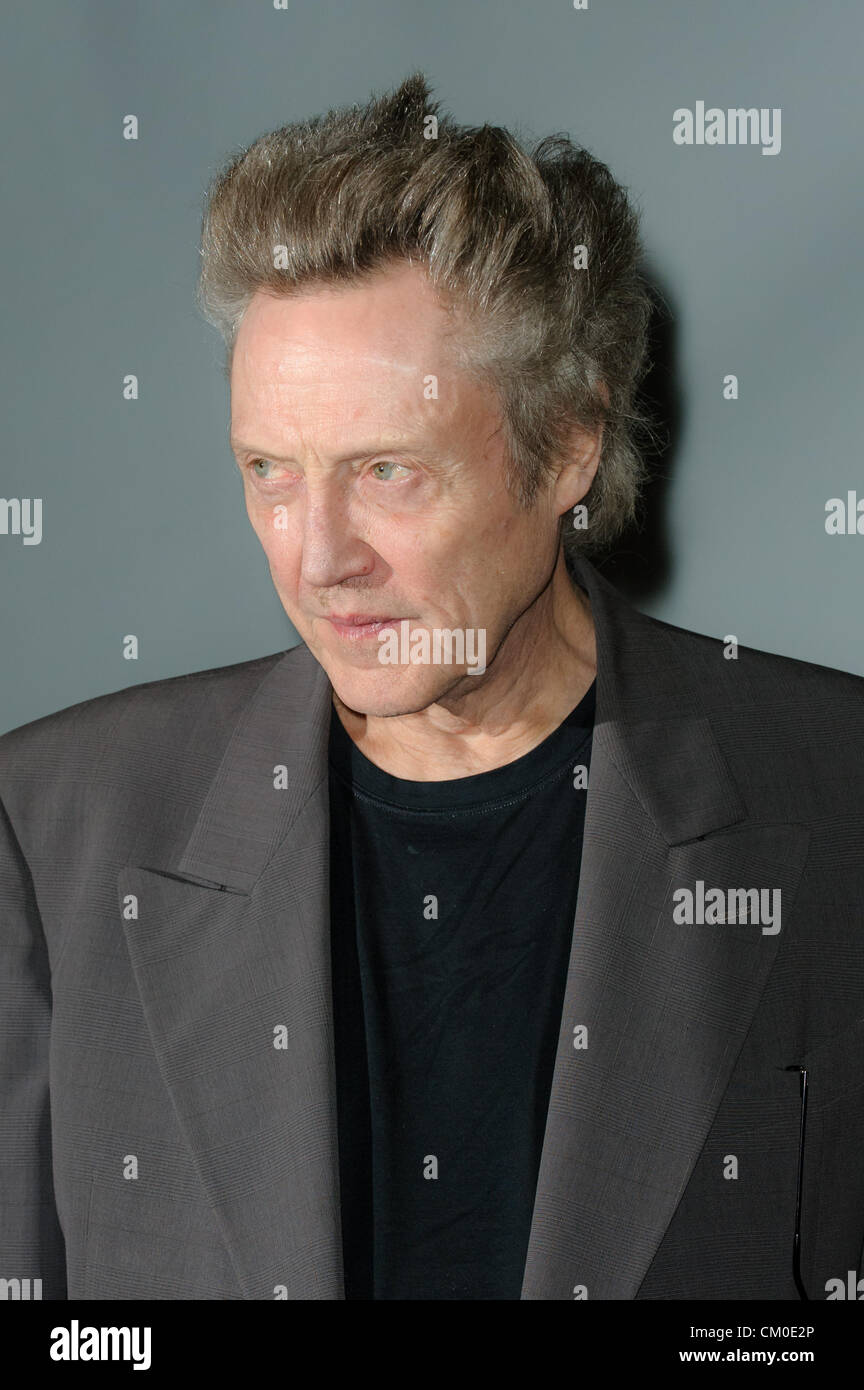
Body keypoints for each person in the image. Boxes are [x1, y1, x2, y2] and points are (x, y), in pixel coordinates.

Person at [1, 73, 862, 1302]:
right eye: (269, 470)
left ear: (566, 442)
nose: (315, 558)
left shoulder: (836, 796)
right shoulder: (55, 827)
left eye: (388, 471)